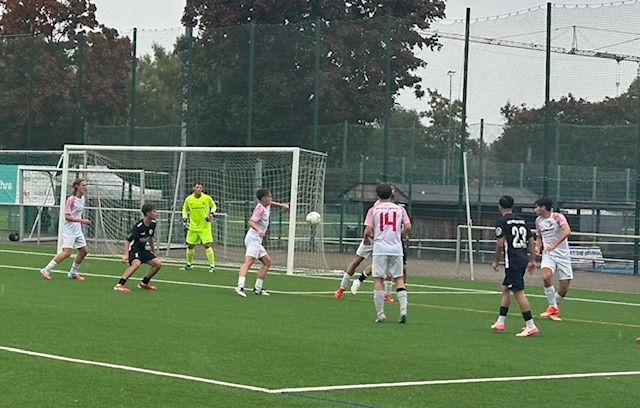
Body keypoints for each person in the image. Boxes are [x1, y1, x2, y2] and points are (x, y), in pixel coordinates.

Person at [490, 195, 539, 337]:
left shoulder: (502, 221)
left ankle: (530, 325)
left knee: (518, 292)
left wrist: (496, 261)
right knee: (506, 288)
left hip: (513, 260)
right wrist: (532, 260)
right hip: (522, 257)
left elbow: (500, 244)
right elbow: (532, 241)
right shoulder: (522, 221)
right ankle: (500, 322)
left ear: (500, 206)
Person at [363, 183, 411, 323]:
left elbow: (368, 230)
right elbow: (408, 226)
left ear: (377, 195)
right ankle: (403, 310)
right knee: (399, 279)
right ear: (392, 194)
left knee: (378, 279)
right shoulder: (400, 209)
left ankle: (380, 314)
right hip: (396, 248)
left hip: (380, 249)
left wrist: (368, 238)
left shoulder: (373, 210)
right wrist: (400, 233)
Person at [235, 188, 289, 297]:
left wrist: (281, 205)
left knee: (267, 262)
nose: (271, 198)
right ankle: (240, 286)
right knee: (248, 262)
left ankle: (258, 288)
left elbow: (271, 203)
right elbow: (251, 221)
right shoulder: (260, 209)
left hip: (257, 240)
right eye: (269, 196)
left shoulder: (266, 205)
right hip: (253, 239)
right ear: (264, 198)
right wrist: (259, 230)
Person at [40, 178, 90, 281]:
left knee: (84, 251)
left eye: (86, 185)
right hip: (69, 230)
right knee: (67, 252)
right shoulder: (71, 199)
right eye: (83, 185)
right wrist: (82, 221)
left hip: (77, 230)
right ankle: (46, 269)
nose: (85, 187)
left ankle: (72, 273)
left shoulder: (82, 198)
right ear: (77, 186)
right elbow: (67, 216)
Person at [534, 197, 572, 321]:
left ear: (543, 207)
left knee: (564, 288)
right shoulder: (538, 221)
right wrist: (537, 247)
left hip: (563, 255)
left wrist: (555, 244)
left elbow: (567, 231)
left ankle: (552, 308)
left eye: (536, 207)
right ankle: (553, 307)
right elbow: (539, 236)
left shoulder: (557, 217)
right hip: (548, 254)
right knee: (546, 277)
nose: (535, 210)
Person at [114, 203, 162, 292]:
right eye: (154, 211)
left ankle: (144, 283)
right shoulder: (138, 227)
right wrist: (126, 255)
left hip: (142, 250)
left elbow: (150, 238)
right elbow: (127, 241)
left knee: (158, 264)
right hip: (134, 249)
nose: (156, 213)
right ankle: (120, 284)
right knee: (136, 264)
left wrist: (153, 251)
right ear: (148, 213)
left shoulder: (153, 223)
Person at [350, 234, 409, 300]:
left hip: (396, 243)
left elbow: (403, 228)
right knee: (379, 267)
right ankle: (359, 281)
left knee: (402, 268)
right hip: (383, 243)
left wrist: (404, 234)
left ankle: (398, 291)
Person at [181, 182, 217, 273]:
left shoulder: (207, 198)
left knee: (207, 245)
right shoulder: (189, 199)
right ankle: (189, 264)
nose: (199, 189)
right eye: (197, 187)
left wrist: (211, 214)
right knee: (190, 246)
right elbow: (185, 209)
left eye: (200, 187)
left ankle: (212, 266)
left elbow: (213, 206)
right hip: (193, 226)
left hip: (205, 226)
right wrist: (185, 220)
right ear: (193, 188)